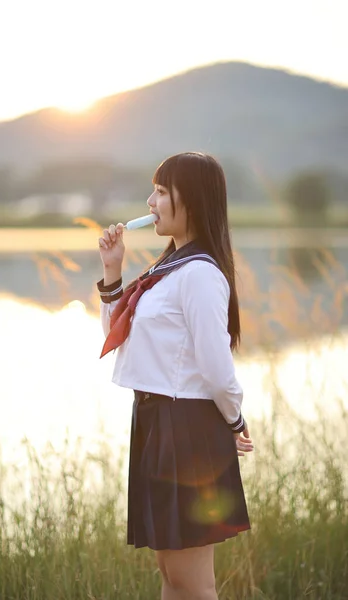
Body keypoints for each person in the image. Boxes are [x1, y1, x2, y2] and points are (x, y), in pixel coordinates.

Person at [97, 152, 254, 600]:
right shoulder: (169, 269)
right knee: (170, 574)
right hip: (155, 422)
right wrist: (112, 271)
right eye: (154, 190)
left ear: (195, 198)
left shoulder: (200, 273)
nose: (150, 202)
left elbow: (216, 366)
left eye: (162, 192)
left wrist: (234, 419)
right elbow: (117, 337)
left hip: (186, 427)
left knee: (193, 581)